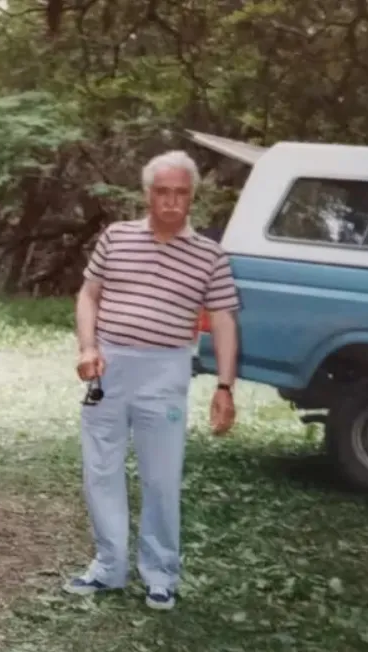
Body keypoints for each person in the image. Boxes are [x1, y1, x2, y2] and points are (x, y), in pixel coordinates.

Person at [68, 150, 240, 611]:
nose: (171, 202)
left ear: (192, 198)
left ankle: (161, 574)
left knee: (161, 477)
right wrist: (88, 347)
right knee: (100, 469)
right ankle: (109, 567)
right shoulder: (116, 238)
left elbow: (222, 320)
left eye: (181, 193)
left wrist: (225, 387)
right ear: (148, 195)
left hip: (166, 370)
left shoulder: (209, 255)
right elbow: (89, 294)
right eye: (162, 192)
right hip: (110, 368)